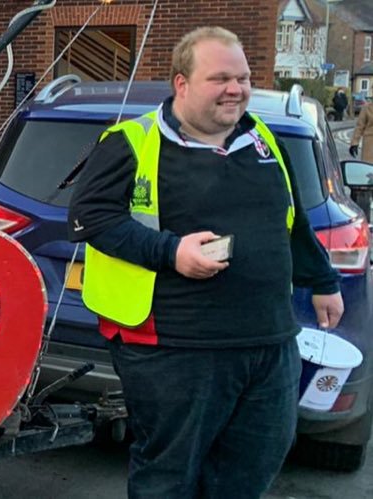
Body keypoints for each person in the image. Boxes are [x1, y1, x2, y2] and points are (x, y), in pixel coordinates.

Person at [67, 27, 342, 498]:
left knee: (256, 461)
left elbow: (290, 223)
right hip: (175, 348)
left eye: (243, 77)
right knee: (170, 473)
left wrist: (323, 280)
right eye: (220, 78)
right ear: (182, 83)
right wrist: (171, 251)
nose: (236, 89)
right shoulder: (132, 143)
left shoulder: (265, 143)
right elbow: (88, 218)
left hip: (268, 343)